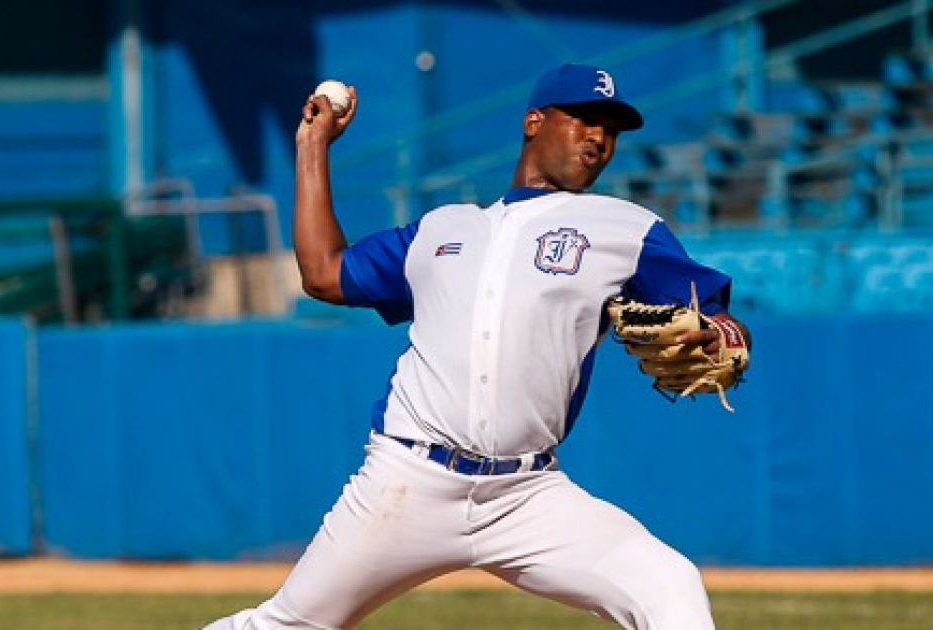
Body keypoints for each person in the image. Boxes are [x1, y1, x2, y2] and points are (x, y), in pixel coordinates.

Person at [206, 63, 750, 629]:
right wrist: (312, 145)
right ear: (534, 121)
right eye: (585, 119)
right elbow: (323, 273)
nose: (599, 138)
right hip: (408, 480)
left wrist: (725, 334)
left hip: (526, 493)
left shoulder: (627, 228)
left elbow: (715, 314)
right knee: (288, 624)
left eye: (611, 129)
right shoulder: (442, 229)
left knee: (669, 585)